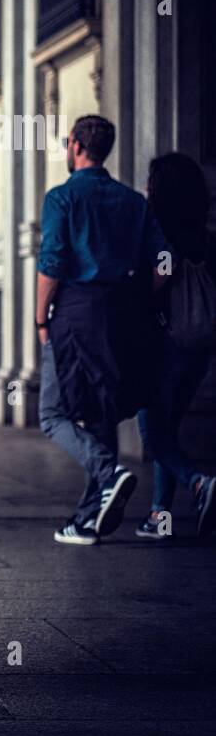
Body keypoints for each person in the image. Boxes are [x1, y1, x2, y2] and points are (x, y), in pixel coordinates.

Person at [36, 115, 168, 546]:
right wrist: (143, 297)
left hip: (76, 310)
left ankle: (108, 473)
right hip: (123, 312)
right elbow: (165, 262)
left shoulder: (62, 198)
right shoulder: (134, 202)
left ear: (74, 145)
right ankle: (89, 519)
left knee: (52, 412)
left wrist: (41, 318)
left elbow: (52, 264)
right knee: (101, 412)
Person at [135, 152, 216, 540]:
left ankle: (199, 482)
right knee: (168, 428)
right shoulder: (205, 236)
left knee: (153, 435)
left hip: (165, 345)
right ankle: (158, 516)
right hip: (200, 348)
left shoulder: (162, 238)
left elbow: (158, 283)